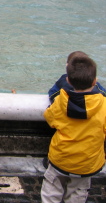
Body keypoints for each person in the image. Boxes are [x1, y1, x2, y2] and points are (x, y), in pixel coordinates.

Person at [41, 55, 106, 203]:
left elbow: (50, 118)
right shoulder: (104, 105)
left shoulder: (60, 101)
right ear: (95, 81)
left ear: (68, 81)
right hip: (87, 163)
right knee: (78, 193)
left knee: (51, 189)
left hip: (61, 158)